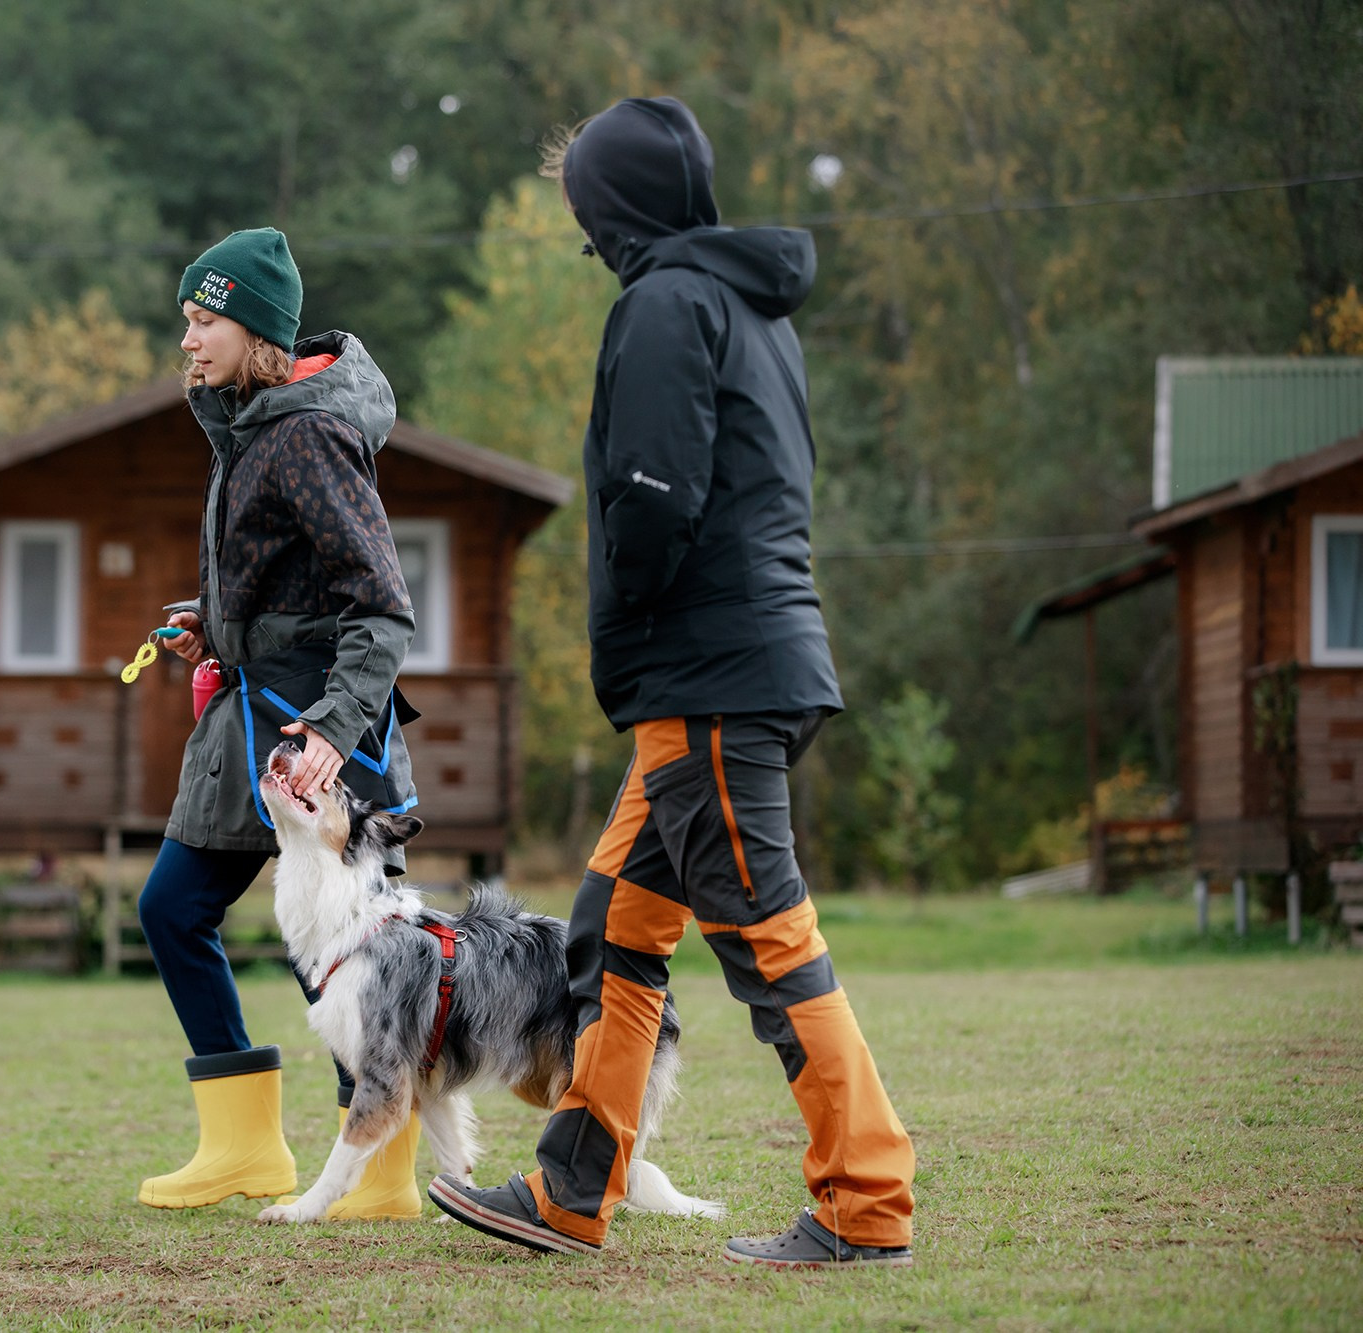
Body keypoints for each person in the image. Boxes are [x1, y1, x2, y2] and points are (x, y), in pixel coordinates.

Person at [426, 98, 917, 1268]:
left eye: (578, 208)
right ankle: (569, 1189)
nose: (577, 231)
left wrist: (627, 632)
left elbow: (651, 498)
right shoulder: (748, 311)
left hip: (704, 679)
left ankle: (866, 1200)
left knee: (766, 939)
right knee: (613, 937)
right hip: (725, 673)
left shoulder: (661, 305)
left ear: (611, 208)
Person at [134, 226, 424, 1219]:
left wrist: (330, 736)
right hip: (248, 724)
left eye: (204, 318)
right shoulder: (250, 423)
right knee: (172, 910)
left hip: (318, 744)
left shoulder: (305, 434)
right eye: (186, 317)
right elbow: (286, 584)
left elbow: (380, 610)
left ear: (255, 328)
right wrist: (212, 629)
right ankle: (244, 1144)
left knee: (361, 956)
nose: (188, 338)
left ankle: (379, 1175)